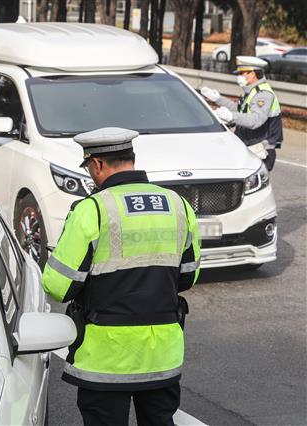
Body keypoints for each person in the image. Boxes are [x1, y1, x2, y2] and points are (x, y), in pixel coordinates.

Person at [42, 127, 201, 425]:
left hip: (107, 358)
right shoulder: (177, 205)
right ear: (131, 158)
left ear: (98, 164)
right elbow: (188, 277)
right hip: (161, 354)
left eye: (89, 167)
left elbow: (58, 285)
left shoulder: (93, 209)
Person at [200, 56, 283, 171]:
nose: (239, 77)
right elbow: (239, 110)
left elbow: (255, 120)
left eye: (242, 73)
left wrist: (231, 116)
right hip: (248, 145)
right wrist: (218, 99)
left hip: (260, 150)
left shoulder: (263, 94)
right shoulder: (252, 91)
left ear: (252, 74)